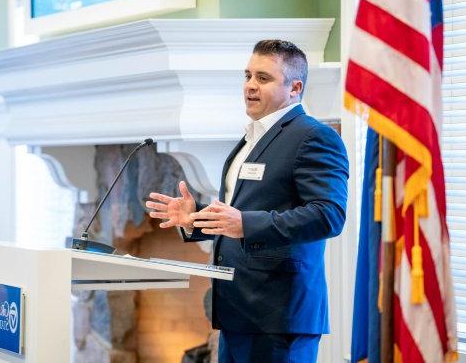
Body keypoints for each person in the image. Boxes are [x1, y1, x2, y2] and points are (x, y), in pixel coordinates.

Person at [146, 40, 348, 363]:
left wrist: (246, 224)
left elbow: (329, 215)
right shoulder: (250, 139)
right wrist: (194, 218)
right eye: (247, 76)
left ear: (295, 87)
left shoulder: (314, 137)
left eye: (263, 78)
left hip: (279, 317)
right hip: (237, 311)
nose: (250, 86)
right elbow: (242, 212)